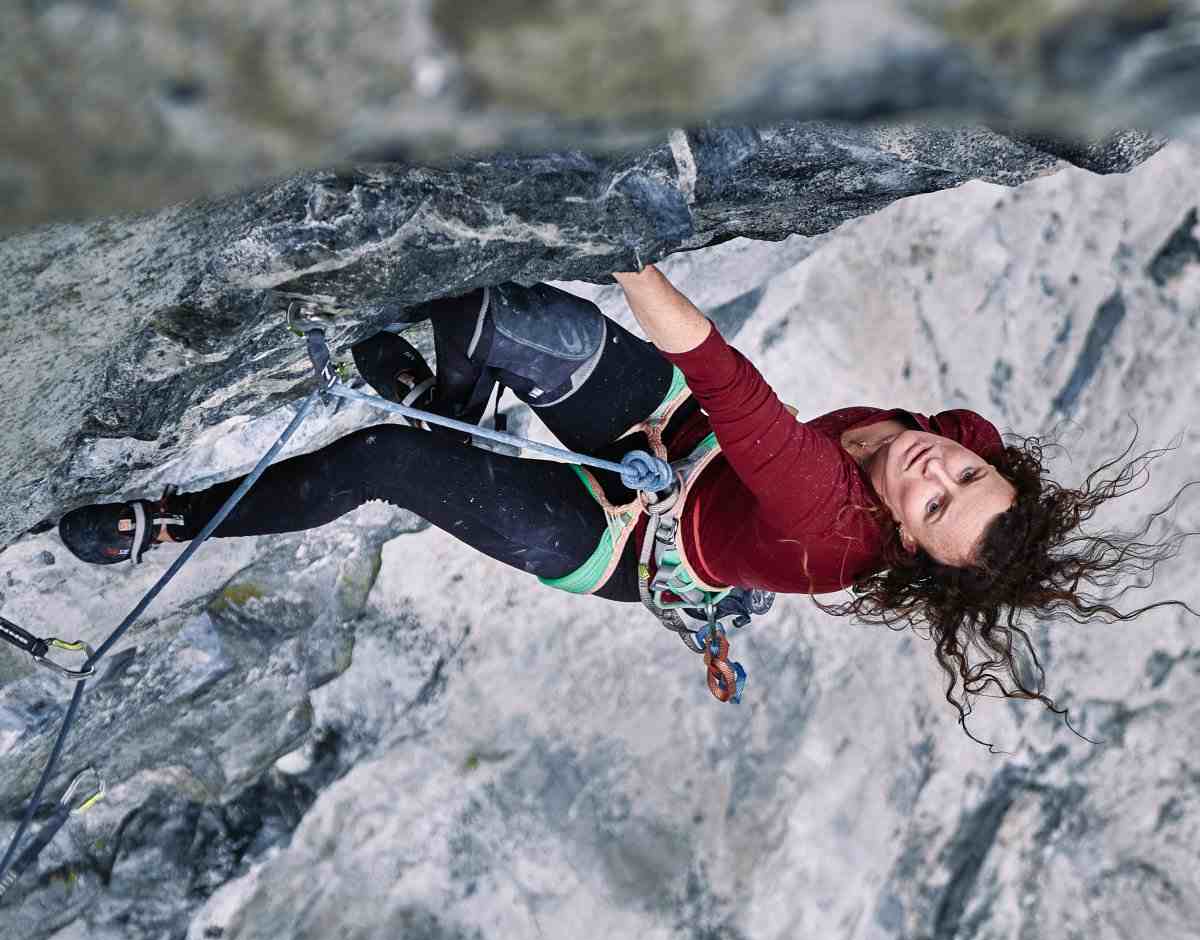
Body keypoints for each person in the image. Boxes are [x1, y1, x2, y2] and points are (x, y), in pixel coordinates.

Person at [58, 266, 1196, 747]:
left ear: (905, 541)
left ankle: (167, 523)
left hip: (625, 537)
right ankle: (456, 403)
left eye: (937, 503)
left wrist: (637, 250)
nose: (932, 472)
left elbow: (734, 390)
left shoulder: (833, 524)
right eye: (960, 476)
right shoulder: (956, 441)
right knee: (501, 311)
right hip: (675, 449)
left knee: (384, 466)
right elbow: (741, 425)